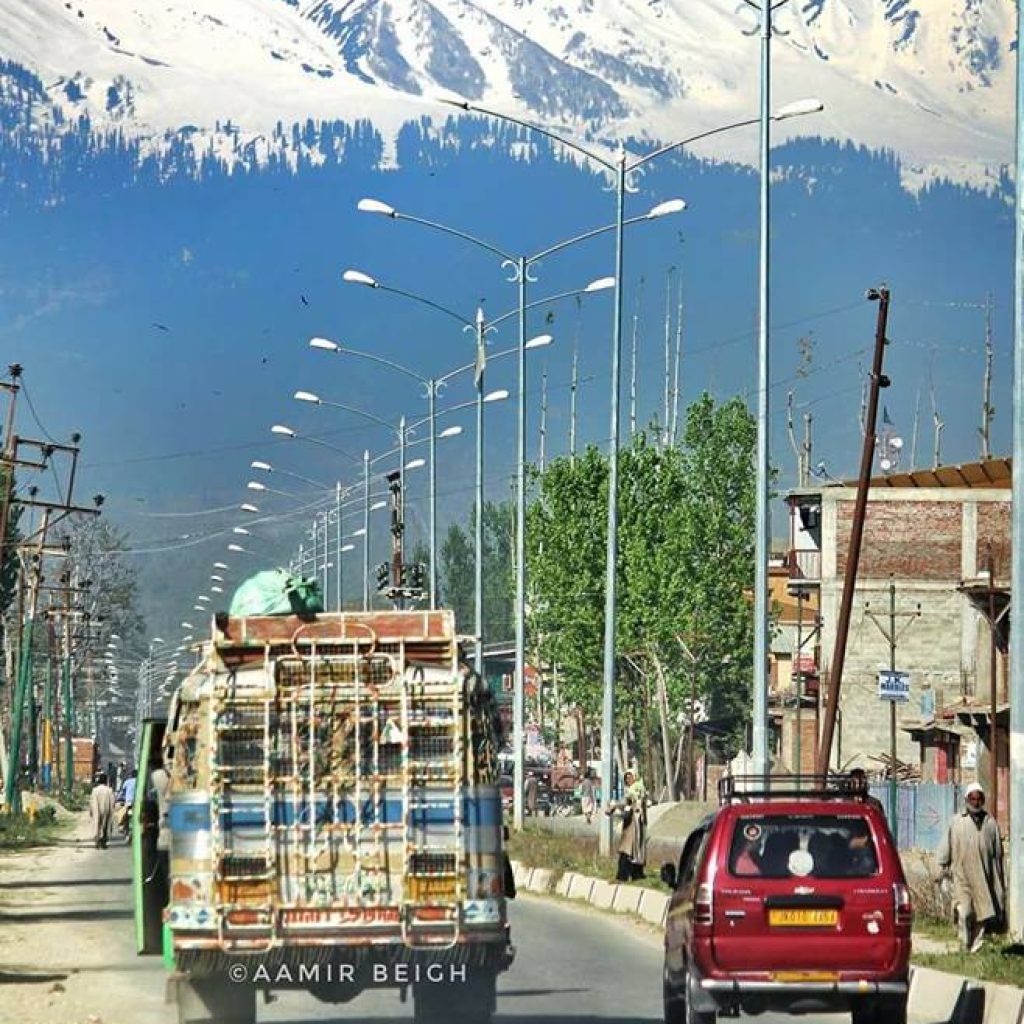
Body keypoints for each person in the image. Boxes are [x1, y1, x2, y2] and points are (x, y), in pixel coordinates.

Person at [936, 782, 1005, 952]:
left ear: (982, 800)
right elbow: (946, 846)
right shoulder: (957, 821)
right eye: (972, 798)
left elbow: (997, 854)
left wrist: (999, 879)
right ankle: (964, 942)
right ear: (967, 800)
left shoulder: (990, 823)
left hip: (984, 877)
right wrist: (941, 868)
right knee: (965, 911)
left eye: (978, 798)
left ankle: (975, 946)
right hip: (962, 876)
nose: (975, 802)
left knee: (983, 914)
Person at [605, 770, 648, 881]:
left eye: (630, 777)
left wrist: (614, 806)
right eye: (626, 778)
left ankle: (623, 875)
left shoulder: (636, 788)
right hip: (634, 822)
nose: (628, 780)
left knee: (627, 849)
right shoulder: (638, 788)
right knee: (634, 850)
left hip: (634, 823)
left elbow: (627, 801)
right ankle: (636, 874)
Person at [89, 772, 115, 849]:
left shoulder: (95, 790)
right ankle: (103, 841)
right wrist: (112, 810)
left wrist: (91, 811)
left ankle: (97, 841)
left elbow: (91, 801)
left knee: (97, 824)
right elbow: (112, 801)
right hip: (106, 809)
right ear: (106, 781)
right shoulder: (109, 790)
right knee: (105, 825)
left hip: (96, 808)